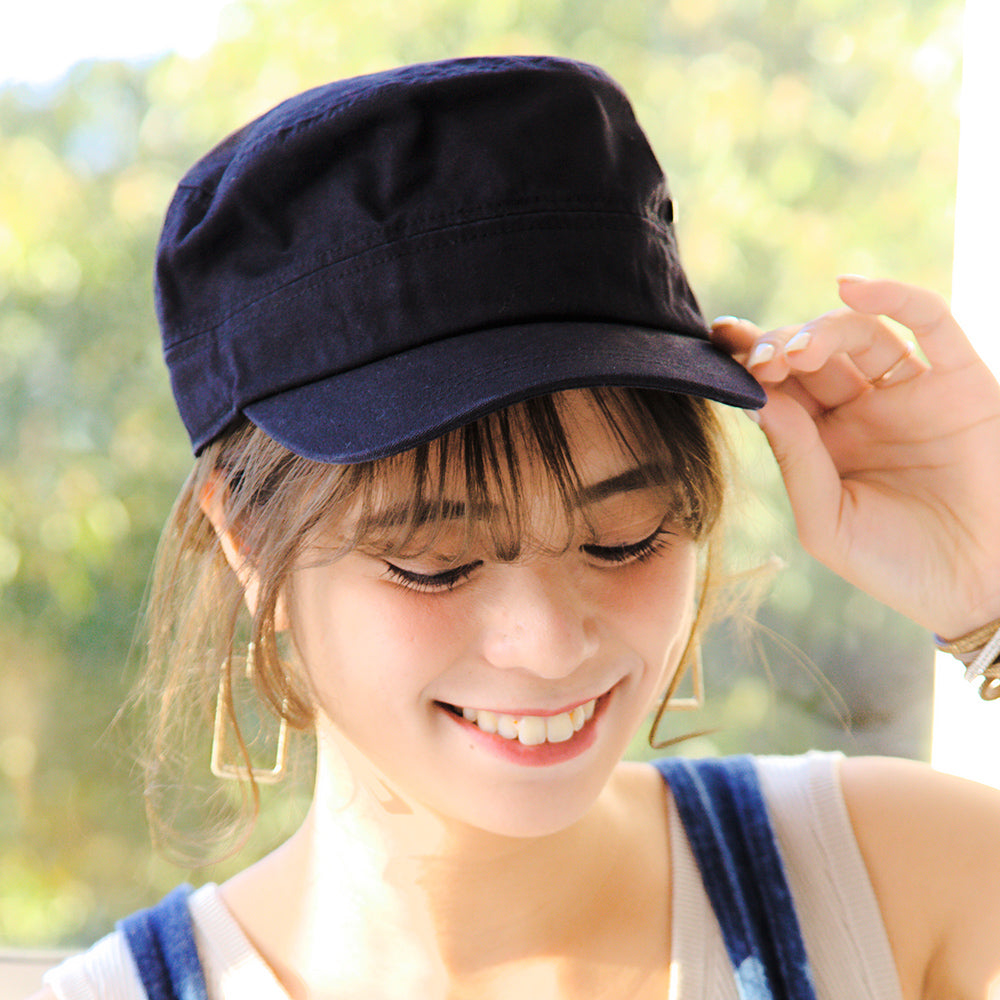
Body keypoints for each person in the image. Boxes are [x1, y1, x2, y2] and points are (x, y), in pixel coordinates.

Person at [36, 55, 1000, 1000]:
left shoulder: (899, 884)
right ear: (247, 543)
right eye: (435, 561)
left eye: (623, 537)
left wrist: (989, 599)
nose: (548, 644)